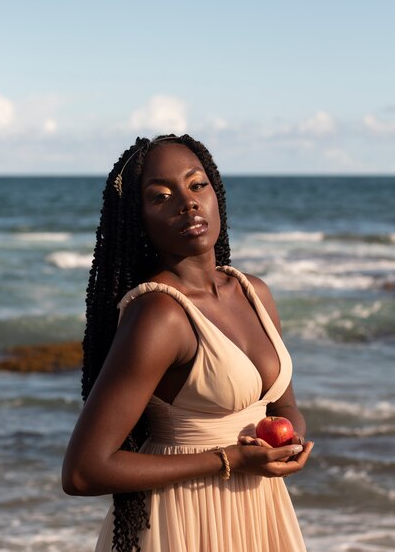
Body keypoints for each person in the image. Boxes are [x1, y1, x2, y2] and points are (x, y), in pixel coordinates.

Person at [62, 134, 314, 552]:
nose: (188, 202)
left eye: (197, 185)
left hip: (260, 512)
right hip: (184, 521)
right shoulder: (159, 315)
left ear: (216, 194)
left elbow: (285, 408)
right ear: (137, 219)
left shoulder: (254, 292)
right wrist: (229, 460)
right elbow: (84, 471)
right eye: (161, 196)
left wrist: (291, 444)